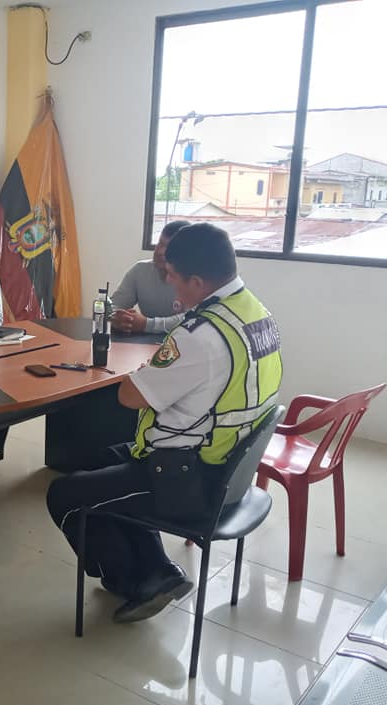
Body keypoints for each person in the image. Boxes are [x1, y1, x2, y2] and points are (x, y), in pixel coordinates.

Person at [46, 223, 282, 624]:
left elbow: (129, 396)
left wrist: (148, 372)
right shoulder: (257, 314)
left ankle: (133, 580)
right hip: (229, 466)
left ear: (197, 281)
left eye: (172, 275)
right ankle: (159, 570)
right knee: (99, 460)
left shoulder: (200, 336)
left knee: (64, 495)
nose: (168, 282)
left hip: (187, 477)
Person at [110, 220, 191, 334]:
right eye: (160, 244)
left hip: (182, 340)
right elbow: (115, 305)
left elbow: (192, 319)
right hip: (144, 341)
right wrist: (117, 318)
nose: (160, 252)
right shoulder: (140, 270)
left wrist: (146, 324)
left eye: (169, 248)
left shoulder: (193, 279)